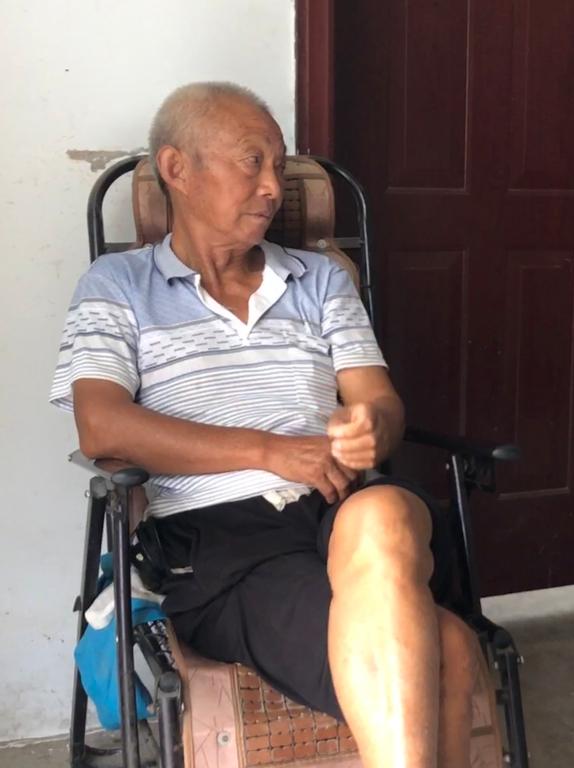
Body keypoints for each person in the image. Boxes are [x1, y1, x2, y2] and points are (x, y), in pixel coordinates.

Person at [51, 81, 484, 768]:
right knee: (449, 649)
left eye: (279, 167)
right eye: (251, 162)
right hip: (219, 542)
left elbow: (380, 403)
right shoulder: (117, 285)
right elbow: (101, 426)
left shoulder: (321, 279)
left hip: (343, 509)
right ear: (177, 168)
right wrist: (271, 451)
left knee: (384, 514)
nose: (273, 188)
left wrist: (370, 427)